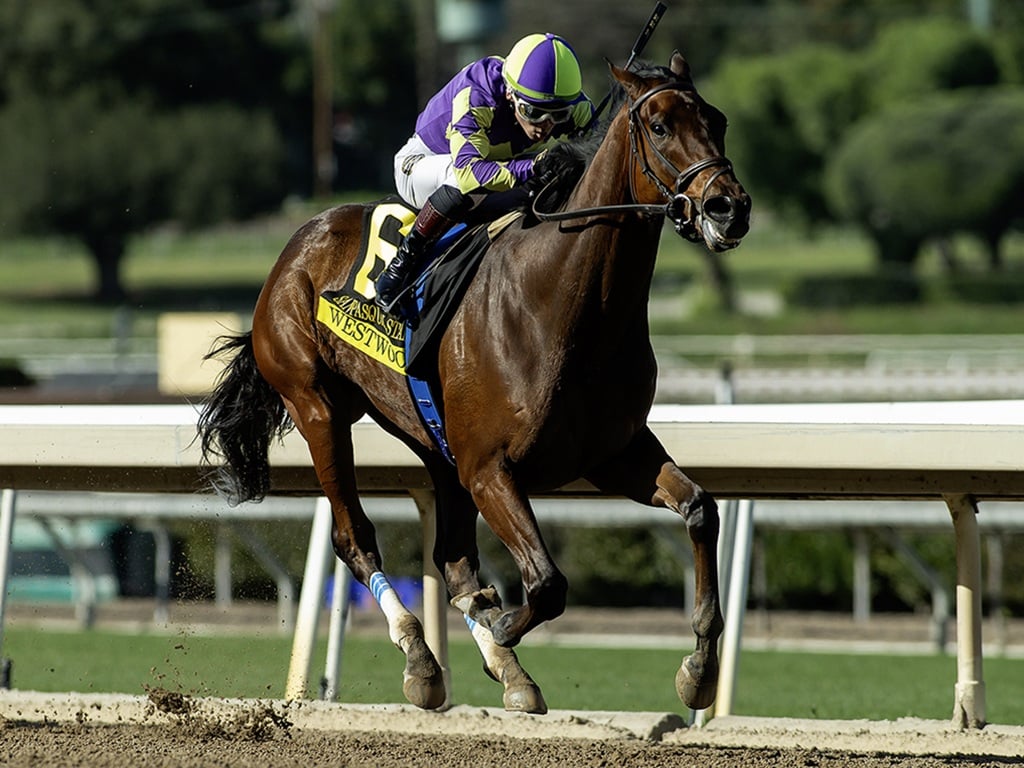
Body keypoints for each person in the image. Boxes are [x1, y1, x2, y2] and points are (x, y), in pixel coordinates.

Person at [375, 32, 594, 315]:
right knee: (468, 184)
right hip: (424, 166)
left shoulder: (567, 102)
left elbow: (602, 141)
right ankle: (402, 264)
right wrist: (532, 166)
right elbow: (469, 174)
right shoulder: (478, 94)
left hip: (492, 169)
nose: (545, 125)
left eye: (558, 115)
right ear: (510, 93)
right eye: (533, 112)